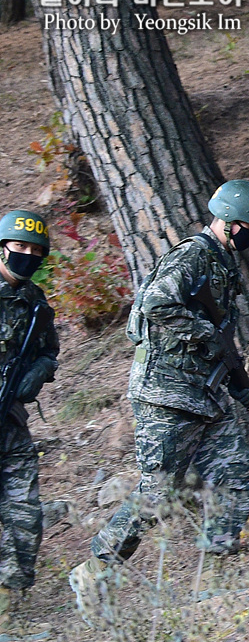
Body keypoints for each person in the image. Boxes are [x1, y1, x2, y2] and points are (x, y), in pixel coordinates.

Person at [68, 180, 249, 626]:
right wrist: (204, 335)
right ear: (229, 221)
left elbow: (221, 341)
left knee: (239, 468)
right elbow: (157, 303)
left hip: (202, 394)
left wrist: (238, 385)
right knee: (159, 492)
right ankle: (96, 568)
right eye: (248, 226)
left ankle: (214, 573)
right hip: (165, 392)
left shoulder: (223, 263)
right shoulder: (193, 255)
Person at [0, 211, 58, 632]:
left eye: (36, 251)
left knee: (24, 510)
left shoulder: (35, 301)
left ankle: (10, 600)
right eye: (20, 247)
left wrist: (38, 372)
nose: (28, 255)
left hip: (11, 422)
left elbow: (47, 350)